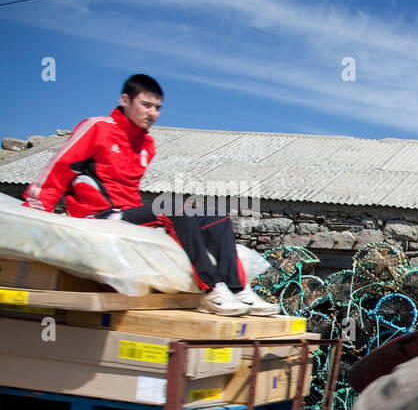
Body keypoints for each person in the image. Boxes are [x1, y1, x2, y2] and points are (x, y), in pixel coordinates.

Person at [22, 74, 277, 316]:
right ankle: (211, 289)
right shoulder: (98, 128)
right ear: (125, 100)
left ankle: (238, 288)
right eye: (145, 105)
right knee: (173, 205)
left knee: (215, 214)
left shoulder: (146, 144)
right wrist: (35, 211)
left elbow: (127, 190)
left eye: (157, 107)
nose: (152, 113)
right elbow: (60, 167)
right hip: (98, 215)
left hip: (128, 213)